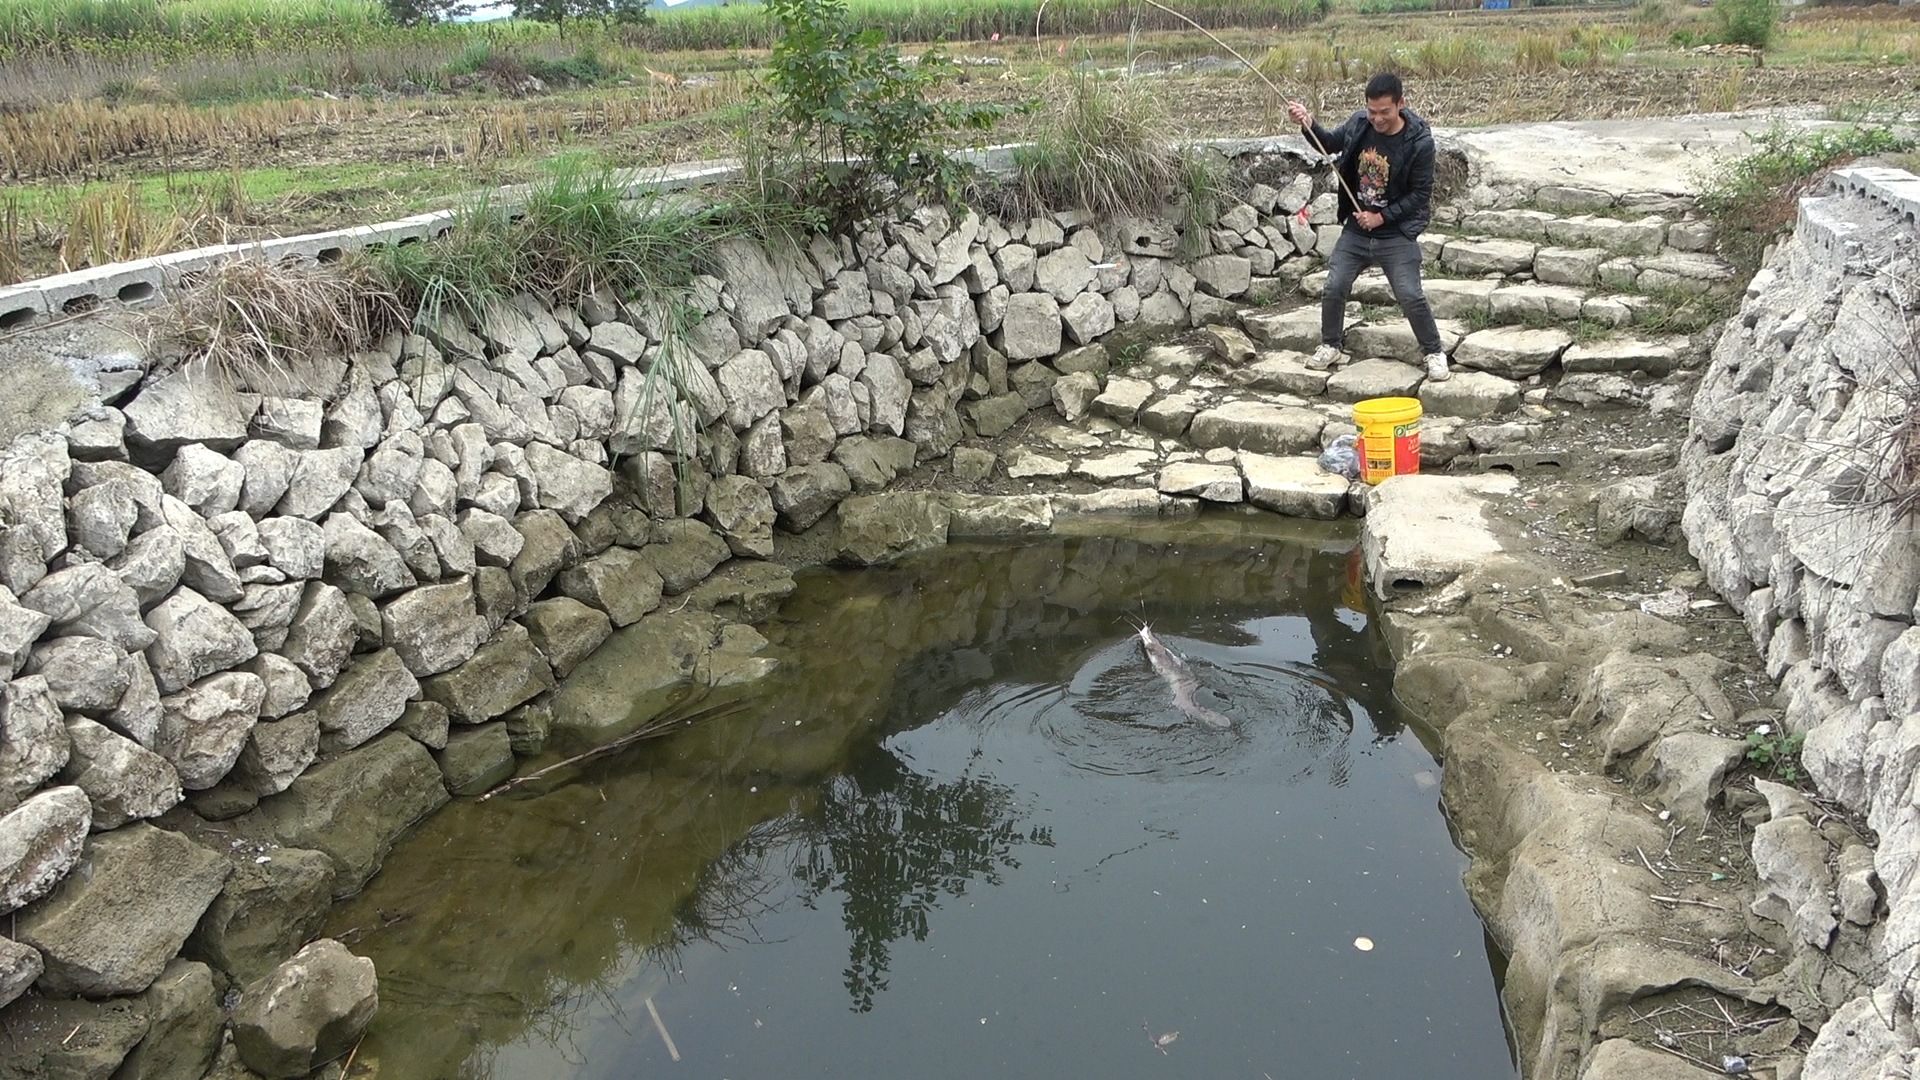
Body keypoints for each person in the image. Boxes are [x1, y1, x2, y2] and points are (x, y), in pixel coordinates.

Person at [1286, 73, 1448, 382]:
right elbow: (1328, 143)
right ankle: (1331, 345)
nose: (1377, 119)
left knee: (1410, 294)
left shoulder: (1420, 142)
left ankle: (1434, 352)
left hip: (1395, 232)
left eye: (1384, 112)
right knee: (1334, 286)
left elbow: (1420, 195)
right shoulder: (1359, 123)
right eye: (1372, 111)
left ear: (1401, 104)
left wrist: (1381, 217)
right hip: (1357, 231)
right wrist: (1308, 123)